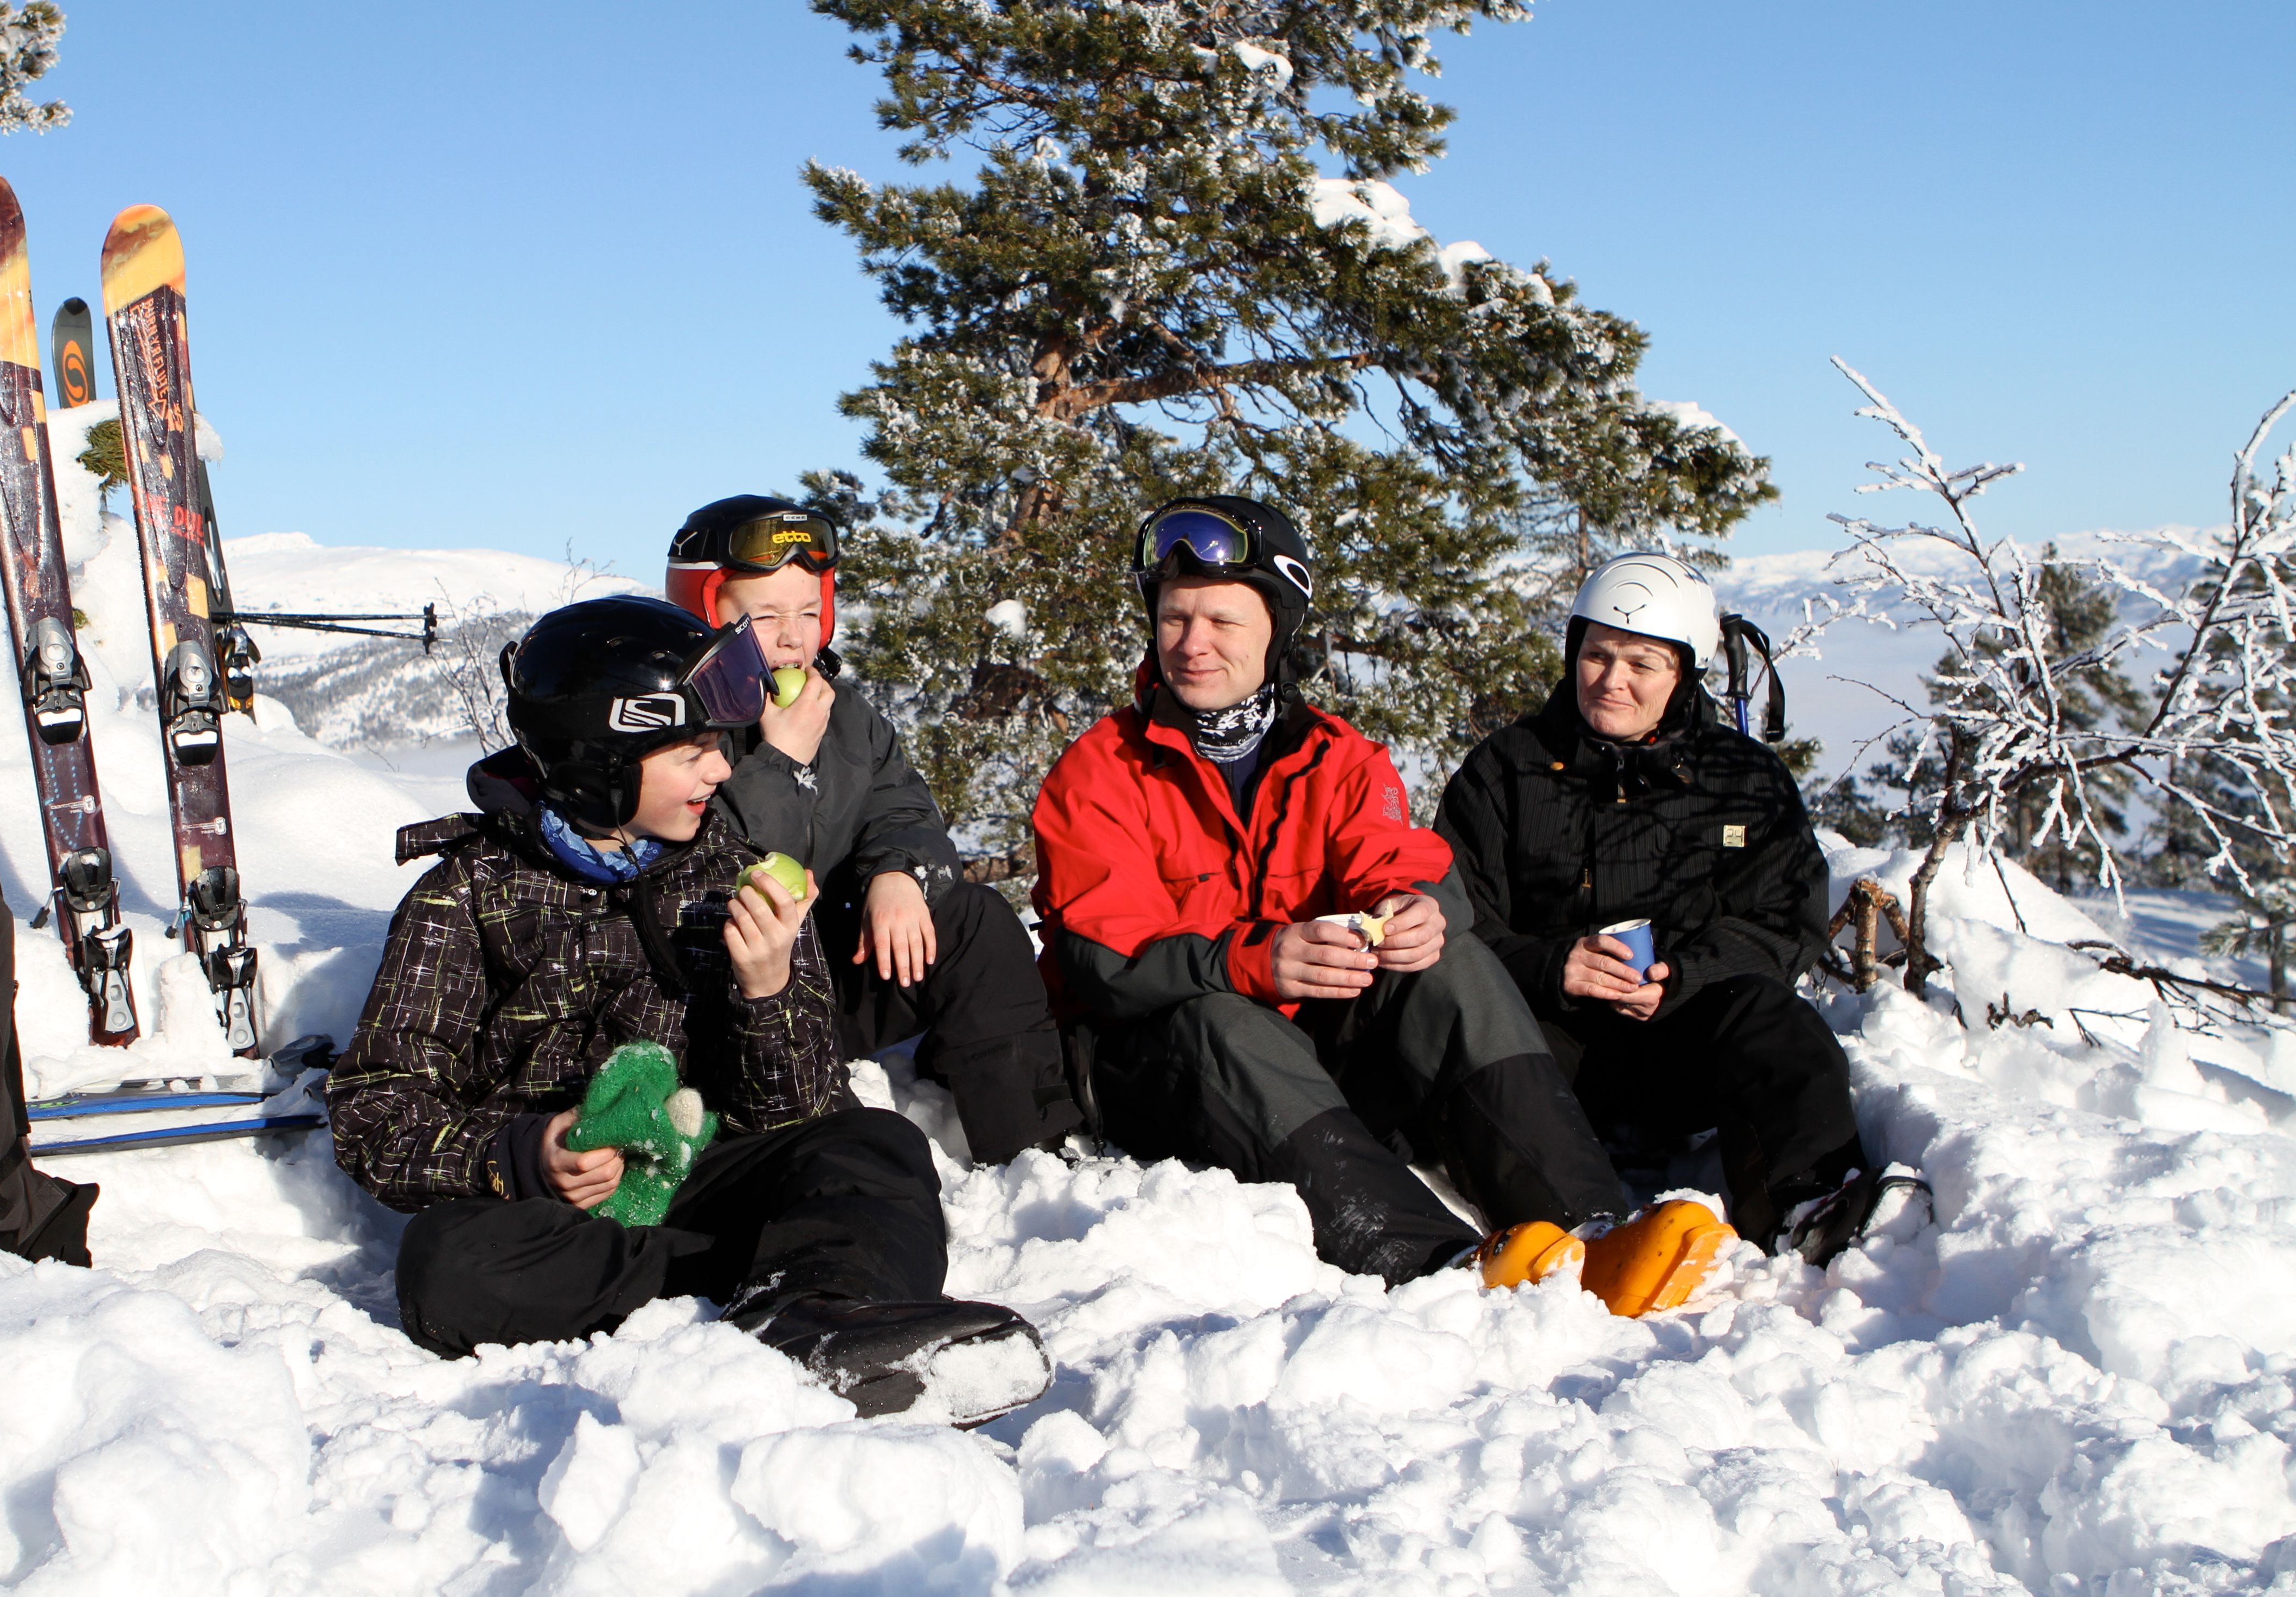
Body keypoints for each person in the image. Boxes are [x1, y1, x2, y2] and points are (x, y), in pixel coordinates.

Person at [326, 596, 1050, 1421]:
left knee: (875, 1145)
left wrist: (768, 989)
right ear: (600, 761)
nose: (721, 771)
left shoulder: (734, 872)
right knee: (444, 1263)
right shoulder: (465, 897)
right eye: (692, 751)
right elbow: (375, 1109)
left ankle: (823, 1314)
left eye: (720, 746)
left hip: (705, 1174)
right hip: (556, 1217)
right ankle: (783, 1295)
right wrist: (521, 1156)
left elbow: (805, 1113)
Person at [1030, 497, 1730, 1313]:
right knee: (1219, 1014)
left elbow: (1403, 861)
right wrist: (1254, 960)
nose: (1192, 643)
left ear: (1277, 628)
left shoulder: (1336, 756)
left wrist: (1418, 906)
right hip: (1162, 1071)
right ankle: (1438, 1264)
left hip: (1308, 1067)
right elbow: (1105, 962)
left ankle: (1592, 1226)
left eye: (1222, 620)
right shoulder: (1101, 771)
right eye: (1174, 619)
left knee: (1449, 958)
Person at [1435, 553, 1901, 1264]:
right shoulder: (1506, 771)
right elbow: (1457, 923)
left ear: (1684, 673)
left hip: (1685, 1045)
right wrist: (1552, 968)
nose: (1610, 680)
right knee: (1467, 1042)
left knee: (1774, 1018)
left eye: (1641, 664)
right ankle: (1573, 1235)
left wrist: (1685, 976)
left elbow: (1786, 919)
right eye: (1596, 655)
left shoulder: (1741, 779)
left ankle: (1807, 1201)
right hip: (1543, 1048)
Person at [667, 496, 1081, 1164]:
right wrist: (780, 761)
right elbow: (706, 874)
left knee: (974, 919)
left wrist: (899, 873)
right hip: (738, 1005)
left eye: (809, 613)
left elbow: (903, 807)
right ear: (706, 615)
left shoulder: (846, 716)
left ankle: (1031, 1145)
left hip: (836, 974)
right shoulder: (681, 733)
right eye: (765, 617)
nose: (793, 638)